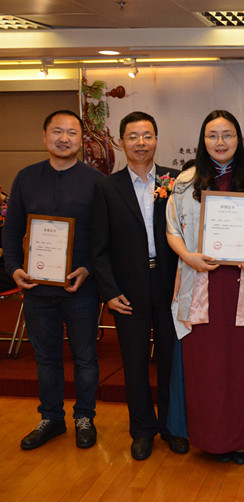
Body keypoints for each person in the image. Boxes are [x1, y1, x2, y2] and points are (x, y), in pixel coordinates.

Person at [166, 110, 244, 465]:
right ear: (203, 140)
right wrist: (189, 257)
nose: (220, 142)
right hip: (200, 281)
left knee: (239, 365)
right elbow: (172, 230)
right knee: (205, 365)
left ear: (239, 140)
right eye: (212, 135)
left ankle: (238, 438)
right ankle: (207, 436)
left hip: (240, 283)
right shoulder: (185, 182)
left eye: (228, 135)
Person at [3, 110, 104, 450]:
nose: (64, 138)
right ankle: (51, 418)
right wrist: (14, 268)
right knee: (46, 357)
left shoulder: (96, 182)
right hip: (36, 288)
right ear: (44, 136)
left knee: (85, 357)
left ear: (81, 140)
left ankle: (84, 417)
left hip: (81, 288)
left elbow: (104, 237)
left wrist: (87, 268)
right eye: (57, 131)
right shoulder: (26, 178)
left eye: (71, 132)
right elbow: (11, 230)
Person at [90, 111, 186, 460]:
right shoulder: (106, 187)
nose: (140, 143)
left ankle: (173, 426)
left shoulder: (176, 182)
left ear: (157, 140)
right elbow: (98, 247)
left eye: (147, 136)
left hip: (170, 283)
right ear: (121, 142)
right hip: (128, 288)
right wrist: (109, 291)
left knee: (172, 360)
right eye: (133, 137)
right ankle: (142, 430)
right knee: (133, 362)